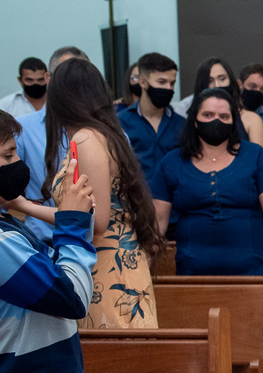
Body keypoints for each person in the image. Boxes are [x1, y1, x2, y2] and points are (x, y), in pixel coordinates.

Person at [22, 59, 163, 329]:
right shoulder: (103, 134)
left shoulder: (87, 139)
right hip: (112, 259)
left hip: (108, 266)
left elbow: (96, 221)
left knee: (112, 351)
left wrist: (25, 206)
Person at [0, 106, 96, 373]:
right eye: (7, 156)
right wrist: (71, 222)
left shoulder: (3, 222)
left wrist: (71, 216)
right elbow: (73, 297)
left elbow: (58, 269)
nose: (18, 163)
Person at [149, 88, 263, 277]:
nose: (216, 121)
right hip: (191, 276)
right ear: (195, 120)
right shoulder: (171, 162)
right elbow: (159, 217)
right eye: (208, 115)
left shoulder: (255, 156)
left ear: (233, 122)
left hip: (251, 273)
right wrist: (148, 251)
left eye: (224, 116)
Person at [14, 46, 89, 244]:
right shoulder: (23, 129)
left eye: (83, 78)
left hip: (95, 240)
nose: (75, 85)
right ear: (49, 78)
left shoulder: (108, 132)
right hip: (44, 242)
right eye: (67, 76)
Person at [118, 52, 185, 179]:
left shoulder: (181, 124)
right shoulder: (121, 122)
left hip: (173, 191)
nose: (168, 88)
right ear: (142, 82)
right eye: (161, 82)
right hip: (135, 190)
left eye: (172, 83)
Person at [182, 58, 263, 149]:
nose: (217, 85)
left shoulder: (250, 119)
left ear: (231, 80)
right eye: (210, 81)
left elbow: (258, 156)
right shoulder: (190, 118)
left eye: (222, 79)